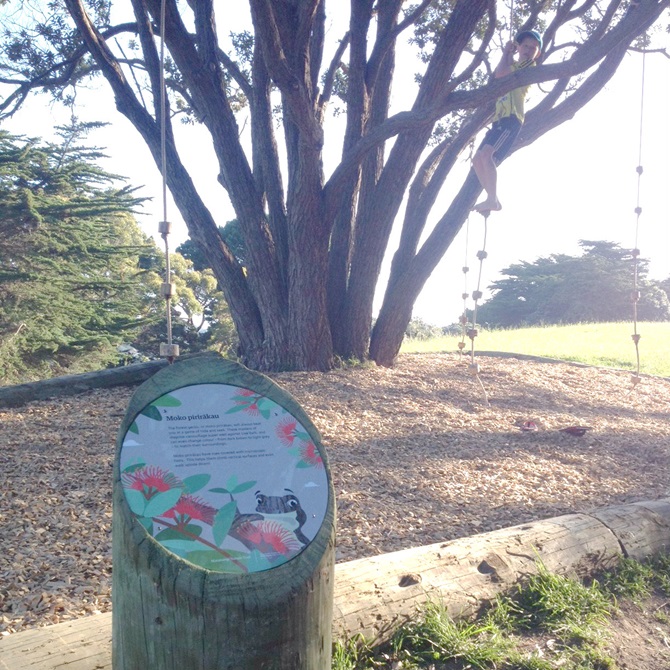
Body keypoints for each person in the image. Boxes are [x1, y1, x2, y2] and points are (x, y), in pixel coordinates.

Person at [472, 30, 543, 215]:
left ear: (538, 53)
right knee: (477, 159)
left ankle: (492, 198)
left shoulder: (529, 65)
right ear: (519, 47)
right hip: (499, 120)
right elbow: (500, 74)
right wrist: (508, 55)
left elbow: (501, 74)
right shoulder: (515, 64)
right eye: (525, 46)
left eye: (533, 48)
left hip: (512, 118)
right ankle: (491, 198)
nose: (528, 50)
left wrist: (506, 54)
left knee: (486, 155)